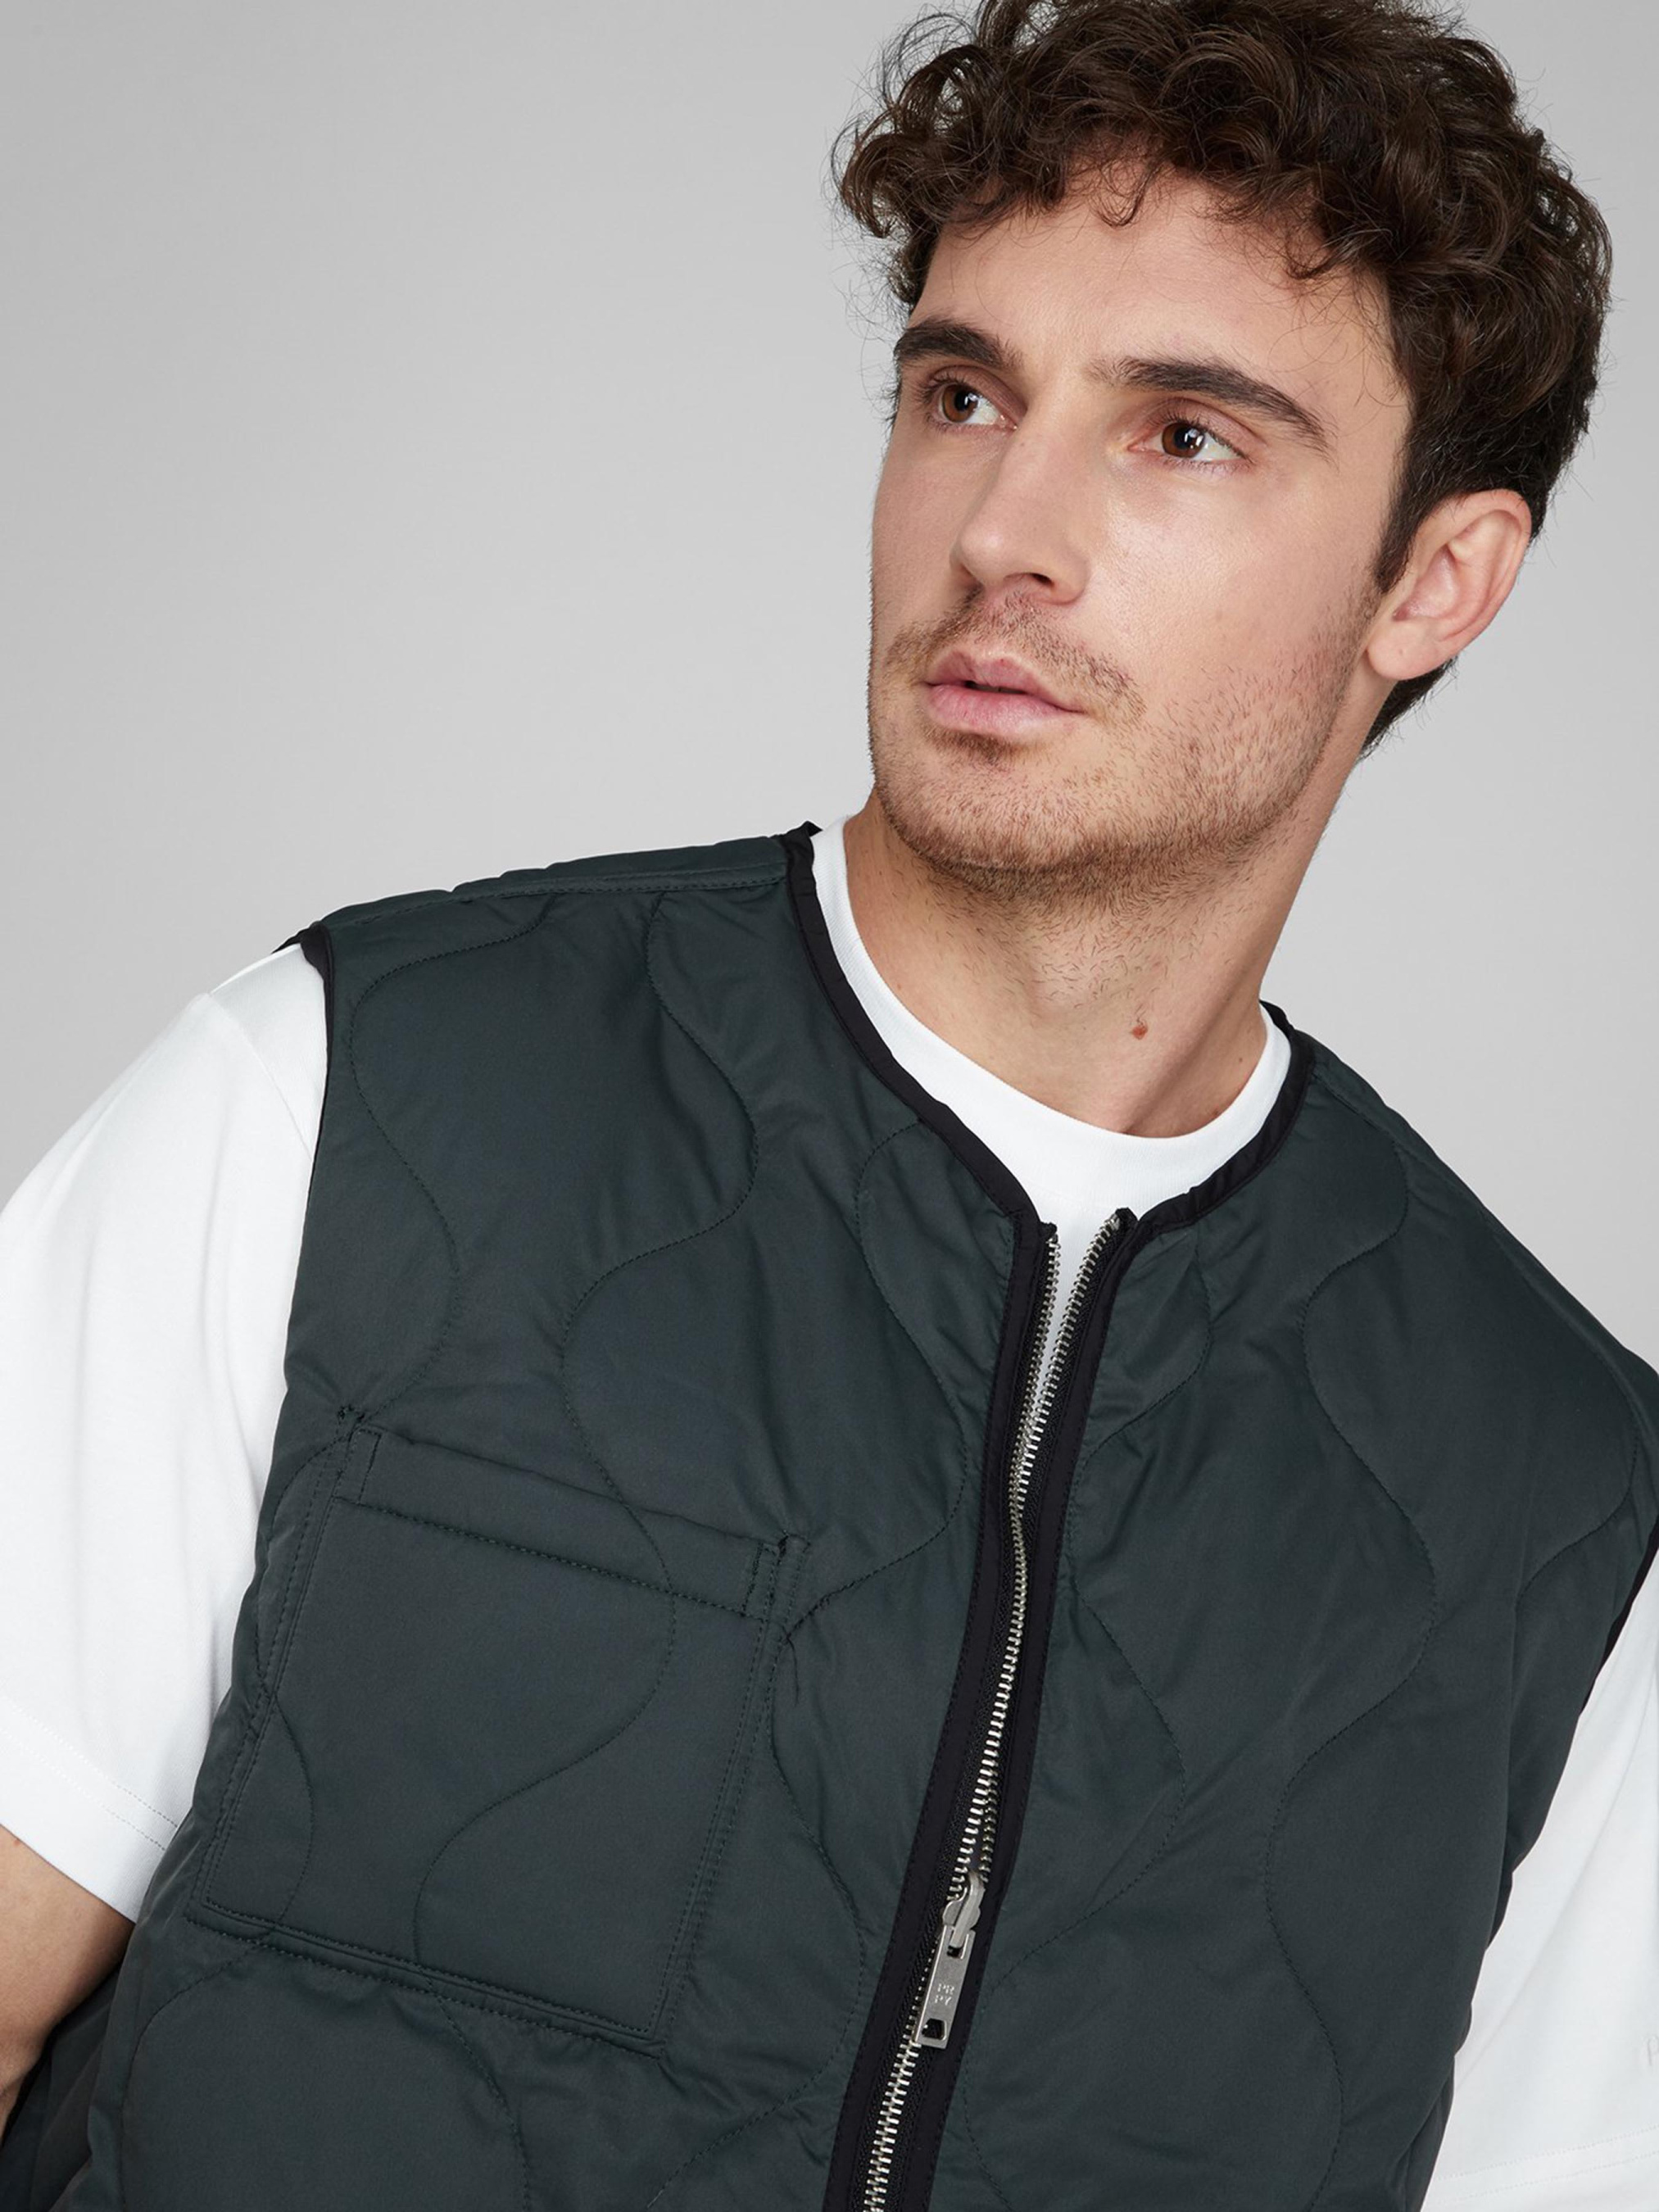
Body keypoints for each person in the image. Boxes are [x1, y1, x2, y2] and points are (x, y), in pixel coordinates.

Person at [2, 0, 1654, 2205]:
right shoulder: (349, 1102)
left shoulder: (1567, 1515)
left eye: (1183, 436)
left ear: (1434, 582)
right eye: (962, 396)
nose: (1005, 531)